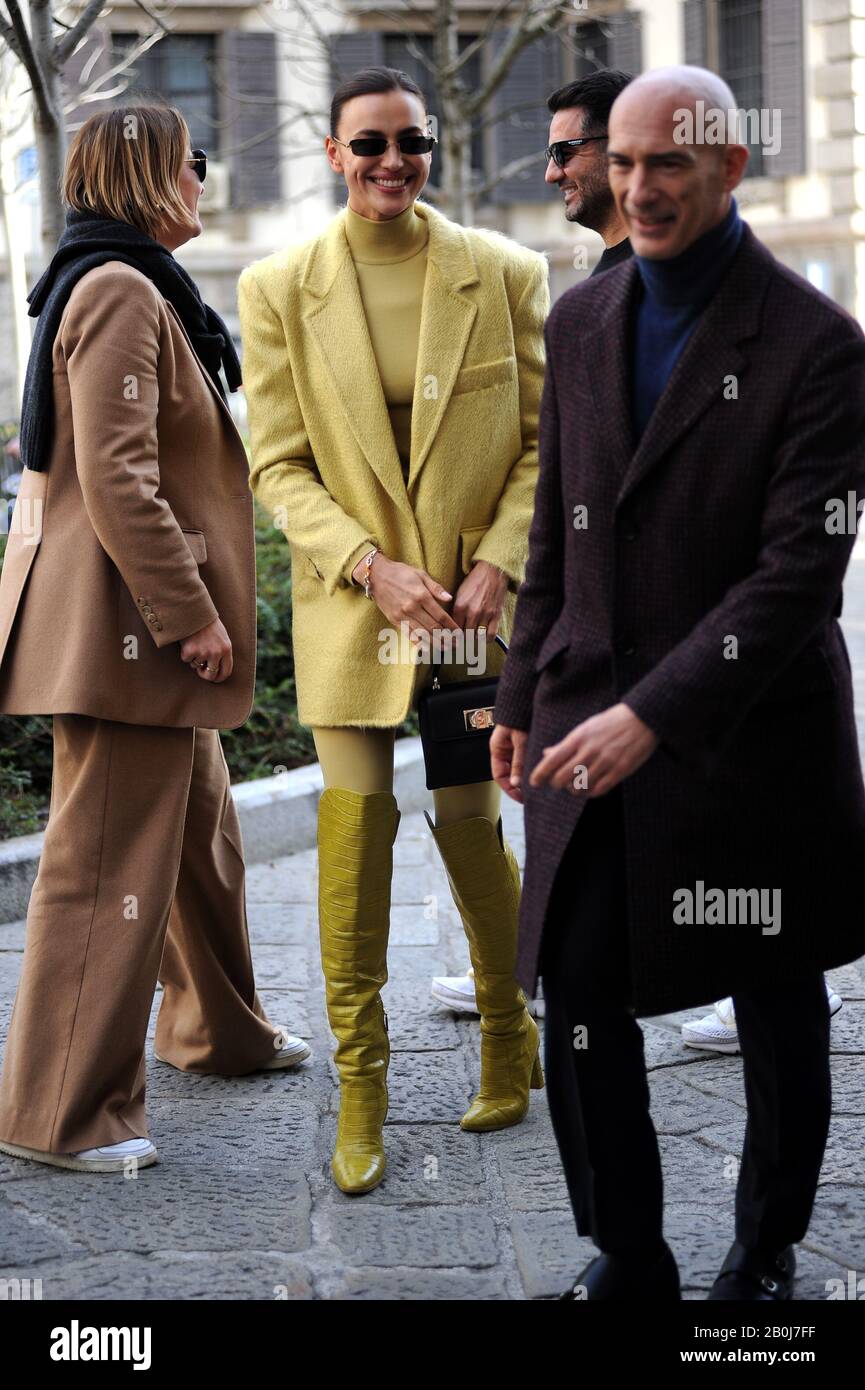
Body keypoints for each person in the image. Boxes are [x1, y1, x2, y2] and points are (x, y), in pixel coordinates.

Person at [491, 66, 865, 1301]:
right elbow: (554, 533)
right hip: (584, 716)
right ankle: (630, 1255)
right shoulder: (581, 319)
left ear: (729, 168)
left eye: (669, 165)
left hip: (753, 739)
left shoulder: (821, 347)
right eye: (624, 161)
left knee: (773, 999)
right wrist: (509, 693)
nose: (638, 187)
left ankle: (763, 1254)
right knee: (578, 980)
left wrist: (653, 713)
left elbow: (796, 578)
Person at [238, 66, 549, 1195]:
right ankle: (361, 1089)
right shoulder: (278, 287)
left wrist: (497, 561)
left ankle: (508, 1039)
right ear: (332, 153)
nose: (391, 161)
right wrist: (370, 567)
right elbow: (276, 463)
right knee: (355, 829)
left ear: (430, 151)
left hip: (471, 612)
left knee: (472, 823)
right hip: (356, 614)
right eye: (367, 143)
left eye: (409, 142)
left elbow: (537, 442)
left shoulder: (505, 272)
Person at [0, 104, 307, 1175]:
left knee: (199, 841)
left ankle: (216, 1031)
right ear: (147, 177)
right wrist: (192, 618)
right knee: (102, 866)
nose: (203, 181)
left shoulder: (117, 280)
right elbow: (121, 480)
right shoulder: (123, 289)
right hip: (132, 632)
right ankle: (59, 1114)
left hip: (128, 628)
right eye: (192, 164)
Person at [432, 67, 634, 1019]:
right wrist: (519, 693)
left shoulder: (716, 310)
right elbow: (558, 513)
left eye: (565, 150)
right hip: (593, 656)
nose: (551, 170)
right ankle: (554, 977)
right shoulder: (589, 303)